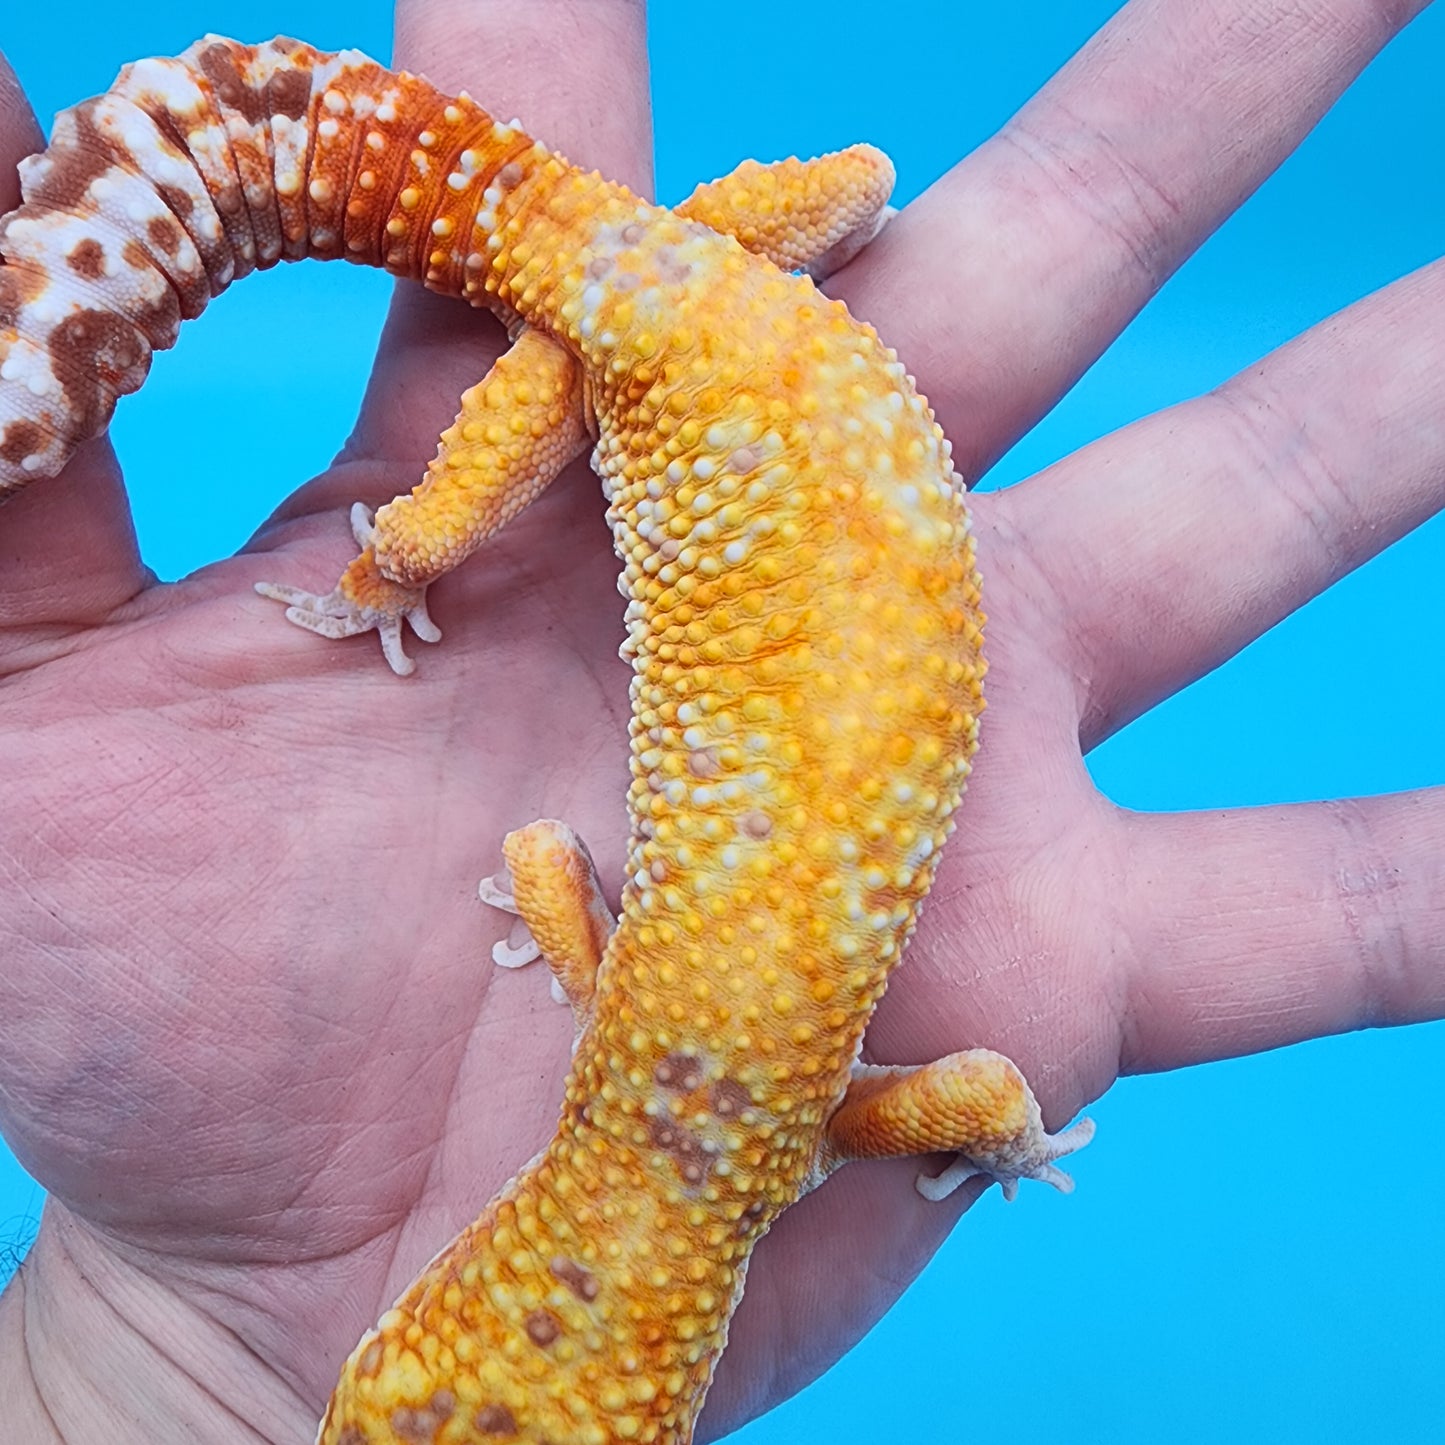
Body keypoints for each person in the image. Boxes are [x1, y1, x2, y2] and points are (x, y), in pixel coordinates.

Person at [1, 0, 1440, 1439]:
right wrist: (397, 570)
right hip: (661, 319)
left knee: (861, 188)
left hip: (715, 303)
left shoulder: (829, 1125)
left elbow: (984, 1092)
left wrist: (1009, 1138)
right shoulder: (626, 1037)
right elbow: (551, 869)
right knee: (711, 301)